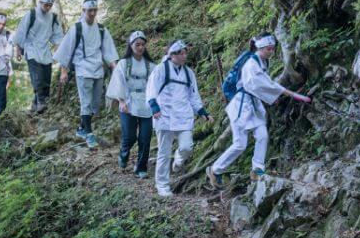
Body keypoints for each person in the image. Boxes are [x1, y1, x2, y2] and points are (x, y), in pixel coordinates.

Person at [206, 34, 311, 189]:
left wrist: (273, 96)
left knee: (262, 135)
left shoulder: (262, 62)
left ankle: (257, 170)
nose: (272, 52)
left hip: (253, 104)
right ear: (260, 48)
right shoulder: (251, 64)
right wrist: (293, 94)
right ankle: (215, 170)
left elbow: (265, 85)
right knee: (240, 144)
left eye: (273, 49)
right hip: (241, 105)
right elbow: (264, 85)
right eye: (269, 49)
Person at [145, 40, 212, 198]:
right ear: (172, 55)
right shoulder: (161, 70)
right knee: (163, 152)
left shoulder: (189, 73)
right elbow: (151, 89)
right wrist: (154, 106)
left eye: (185, 52)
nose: (185, 55)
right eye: (181, 53)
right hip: (164, 115)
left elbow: (193, 95)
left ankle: (179, 160)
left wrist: (202, 111)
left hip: (183, 116)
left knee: (187, 147)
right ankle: (162, 185)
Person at [54, 0, 118, 149]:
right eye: (89, 10)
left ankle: (81, 129)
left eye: (94, 10)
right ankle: (89, 135)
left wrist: (114, 67)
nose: (92, 13)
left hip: (98, 69)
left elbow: (108, 50)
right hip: (82, 69)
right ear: (83, 11)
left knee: (96, 105)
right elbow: (66, 50)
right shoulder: (76, 28)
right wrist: (64, 71)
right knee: (86, 103)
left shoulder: (102, 29)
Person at [106, 31, 154, 179]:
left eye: (142, 44)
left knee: (145, 138)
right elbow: (118, 82)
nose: (140, 47)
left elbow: (156, 83)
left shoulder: (151, 65)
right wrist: (121, 101)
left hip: (146, 103)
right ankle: (124, 153)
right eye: (137, 44)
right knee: (130, 136)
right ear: (131, 45)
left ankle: (141, 167)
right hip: (128, 102)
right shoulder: (123, 64)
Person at [13, 0, 63, 113]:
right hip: (31, 49)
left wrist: (59, 48)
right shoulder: (31, 14)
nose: (47, 7)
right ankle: (41, 102)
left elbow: (57, 37)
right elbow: (21, 32)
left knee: (46, 78)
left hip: (45, 50)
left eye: (50, 5)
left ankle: (35, 107)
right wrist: (18, 49)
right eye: (45, 4)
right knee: (37, 78)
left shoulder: (53, 18)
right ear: (40, 2)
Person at [0, 13, 13, 117]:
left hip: (3, 69)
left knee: (1, 95)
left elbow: (8, 53)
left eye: (3, 24)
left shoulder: (8, 35)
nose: (1, 26)